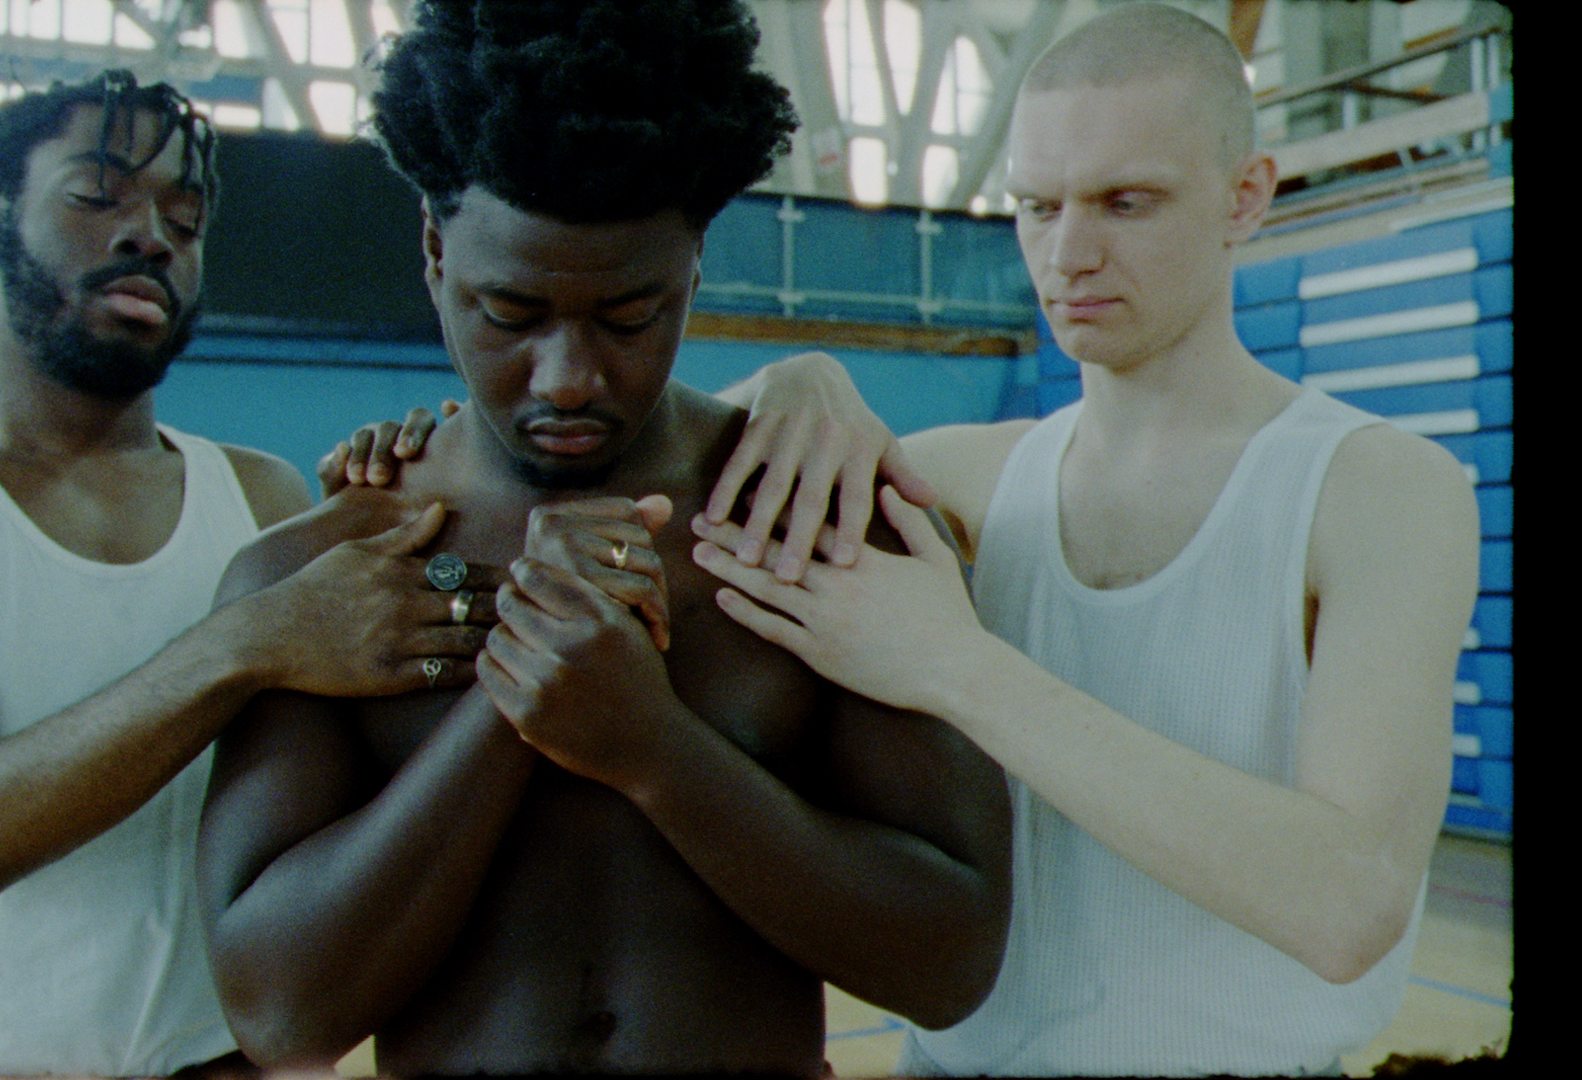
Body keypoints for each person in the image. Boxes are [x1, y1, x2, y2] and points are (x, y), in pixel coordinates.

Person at [194, 3, 1013, 1076]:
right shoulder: (324, 571)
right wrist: (512, 702)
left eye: (629, 317)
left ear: (695, 263)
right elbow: (280, 1014)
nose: (569, 378)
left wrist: (656, 749)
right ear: (434, 250)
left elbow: (950, 967)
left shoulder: (819, 518)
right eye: (510, 314)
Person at [685, 4, 1482, 1075]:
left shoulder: (1378, 490)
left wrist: (955, 665)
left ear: (1246, 196)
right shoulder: (963, 477)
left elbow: (1348, 904)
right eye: (1037, 206)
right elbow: (673, 466)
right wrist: (801, 378)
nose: (1068, 253)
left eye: (1126, 202)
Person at [0, 70, 490, 1078]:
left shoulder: (265, 496)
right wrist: (250, 642)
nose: (151, 235)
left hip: (230, 1061)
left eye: (184, 221)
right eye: (96, 195)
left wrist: (442, 486)